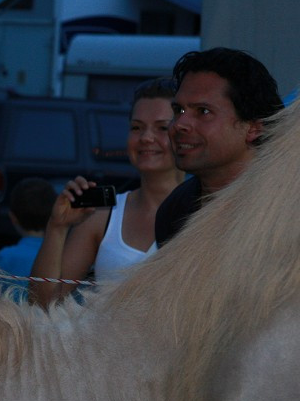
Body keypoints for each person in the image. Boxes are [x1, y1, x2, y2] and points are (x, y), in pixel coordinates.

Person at [28, 78, 184, 306]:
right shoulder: (102, 216)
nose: (146, 138)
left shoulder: (206, 213)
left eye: (161, 127)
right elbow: (43, 304)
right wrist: (57, 227)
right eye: (136, 127)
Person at [155, 48, 283, 246]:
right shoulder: (174, 210)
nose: (179, 124)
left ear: (254, 128)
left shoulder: (287, 208)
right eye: (178, 110)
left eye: (203, 111)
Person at [0, 177, 56, 297]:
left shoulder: (6, 256)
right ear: (54, 215)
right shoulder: (63, 256)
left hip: (13, 315)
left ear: (13, 218)